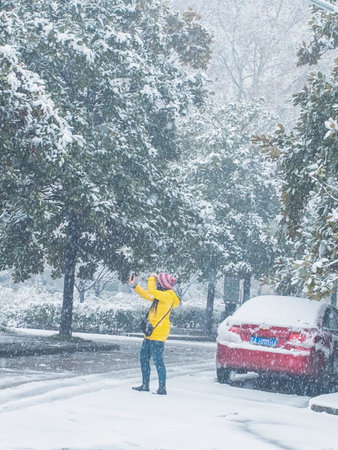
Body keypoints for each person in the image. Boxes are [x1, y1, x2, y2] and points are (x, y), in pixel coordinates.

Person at [128, 272, 180, 395]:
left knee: (158, 360)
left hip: (159, 333)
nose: (155, 283)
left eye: (157, 282)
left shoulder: (168, 296)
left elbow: (151, 291)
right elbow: (147, 295)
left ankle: (162, 387)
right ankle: (145, 384)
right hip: (151, 331)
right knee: (144, 358)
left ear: (162, 284)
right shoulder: (161, 295)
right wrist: (135, 286)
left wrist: (152, 277)